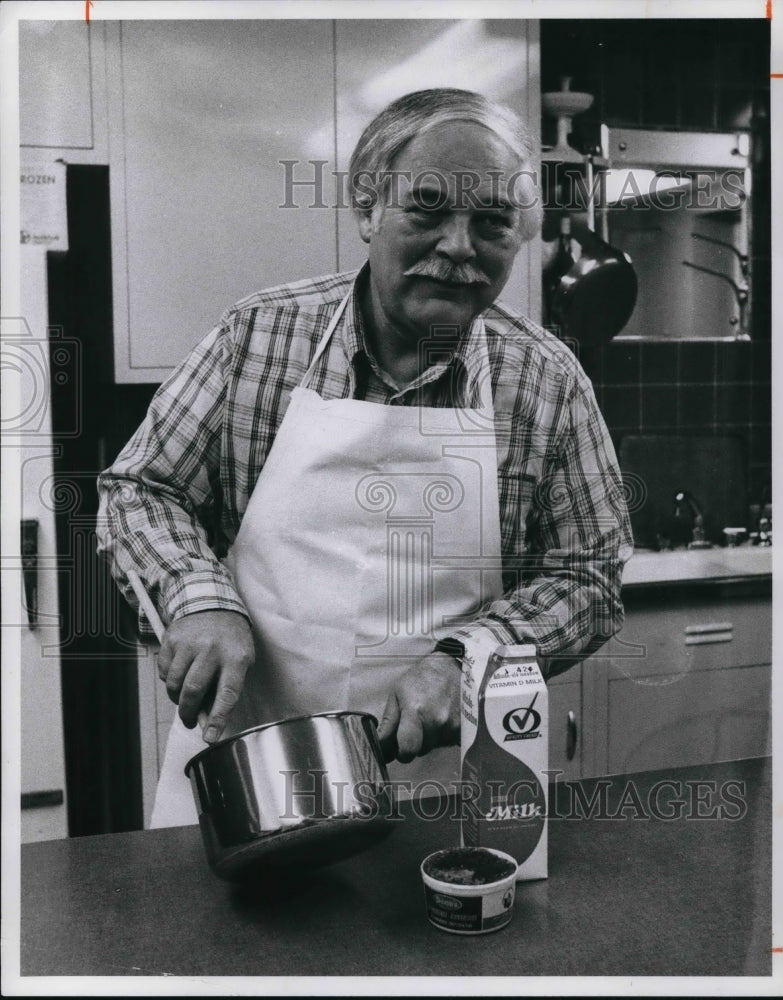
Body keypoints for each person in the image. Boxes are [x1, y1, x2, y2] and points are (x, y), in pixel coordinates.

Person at [97, 89, 633, 827]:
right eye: (427, 208)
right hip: (249, 782)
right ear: (366, 208)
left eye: (491, 222)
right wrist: (200, 599)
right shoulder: (259, 338)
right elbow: (141, 489)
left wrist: (467, 658)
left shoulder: (546, 380)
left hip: (444, 797)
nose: (458, 246)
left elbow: (589, 577)